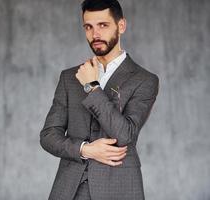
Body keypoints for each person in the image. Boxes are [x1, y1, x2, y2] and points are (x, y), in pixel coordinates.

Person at [40, 0, 159, 199]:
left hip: (118, 188)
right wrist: (85, 149)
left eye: (103, 25)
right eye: (88, 27)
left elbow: (125, 135)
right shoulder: (69, 78)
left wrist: (92, 87)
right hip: (69, 189)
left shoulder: (145, 80)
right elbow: (48, 136)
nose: (95, 34)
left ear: (121, 26)